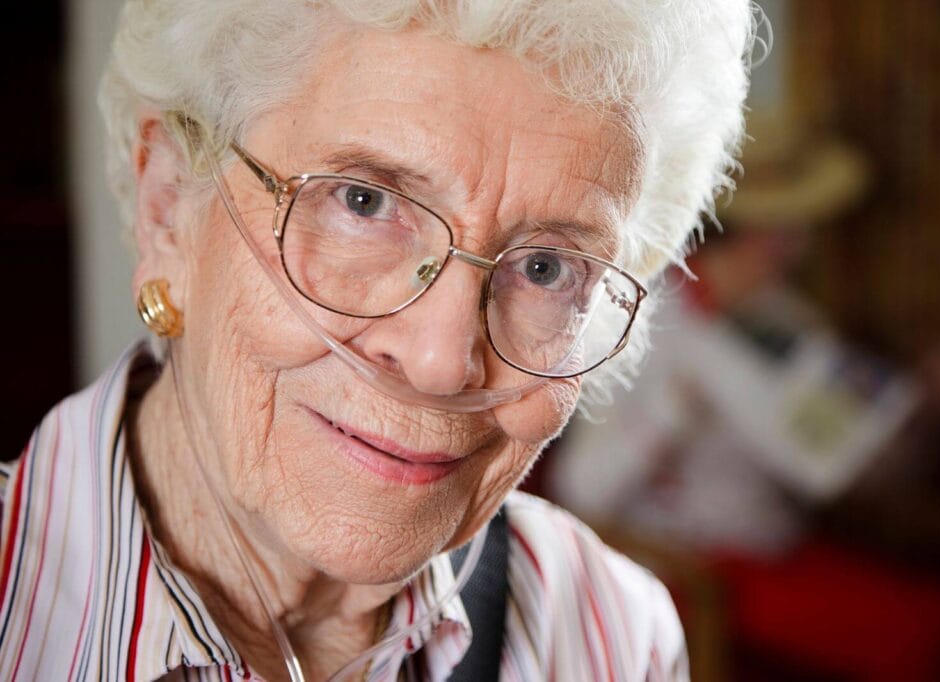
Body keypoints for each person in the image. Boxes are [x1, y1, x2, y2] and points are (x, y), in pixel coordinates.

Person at [0, 1, 752, 679]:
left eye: (547, 268)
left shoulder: (609, 639)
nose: (438, 363)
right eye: (365, 203)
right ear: (170, 205)